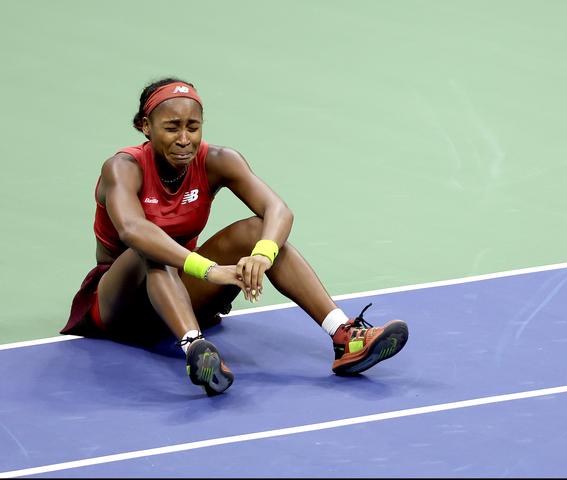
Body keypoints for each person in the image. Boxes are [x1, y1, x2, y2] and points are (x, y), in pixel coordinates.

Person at [61, 78, 409, 396]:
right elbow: (133, 230)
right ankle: (195, 348)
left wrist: (262, 254)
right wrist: (211, 271)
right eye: (171, 128)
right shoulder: (122, 168)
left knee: (257, 231)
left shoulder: (218, 160)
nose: (184, 139)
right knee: (151, 248)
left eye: (192, 127)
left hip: (178, 293)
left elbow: (278, 210)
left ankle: (344, 335)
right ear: (145, 127)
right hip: (118, 305)